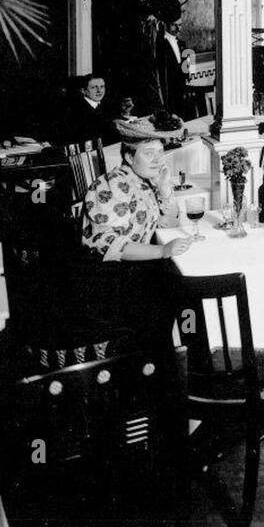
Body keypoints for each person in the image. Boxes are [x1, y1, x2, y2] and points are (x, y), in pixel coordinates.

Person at [75, 112, 195, 351]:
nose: (158, 160)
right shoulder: (113, 185)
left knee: (176, 285)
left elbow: (167, 224)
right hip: (106, 282)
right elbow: (110, 246)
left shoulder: (144, 181)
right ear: (129, 157)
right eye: (149, 154)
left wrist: (163, 189)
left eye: (160, 153)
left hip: (132, 274)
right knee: (173, 288)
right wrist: (162, 250)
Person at [61, 72, 119, 147]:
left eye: (102, 87)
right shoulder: (75, 110)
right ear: (83, 90)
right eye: (94, 87)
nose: (99, 91)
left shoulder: (107, 106)